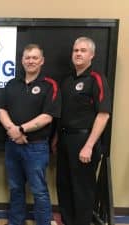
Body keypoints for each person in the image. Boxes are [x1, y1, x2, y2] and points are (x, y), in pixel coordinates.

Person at [0, 44, 61, 225]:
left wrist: (21, 129)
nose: (30, 61)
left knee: (39, 190)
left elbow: (48, 116)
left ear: (42, 61)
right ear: (22, 60)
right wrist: (13, 130)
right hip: (12, 145)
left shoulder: (50, 85)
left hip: (37, 147)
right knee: (15, 188)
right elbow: (1, 110)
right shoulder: (12, 84)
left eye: (35, 58)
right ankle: (16, 222)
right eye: (27, 57)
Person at [56, 37, 111, 225]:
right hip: (64, 140)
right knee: (64, 186)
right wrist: (56, 139)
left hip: (85, 140)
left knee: (83, 190)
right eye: (75, 50)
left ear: (92, 55)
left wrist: (89, 146)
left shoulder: (97, 79)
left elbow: (103, 115)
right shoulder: (66, 81)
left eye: (83, 50)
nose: (78, 53)